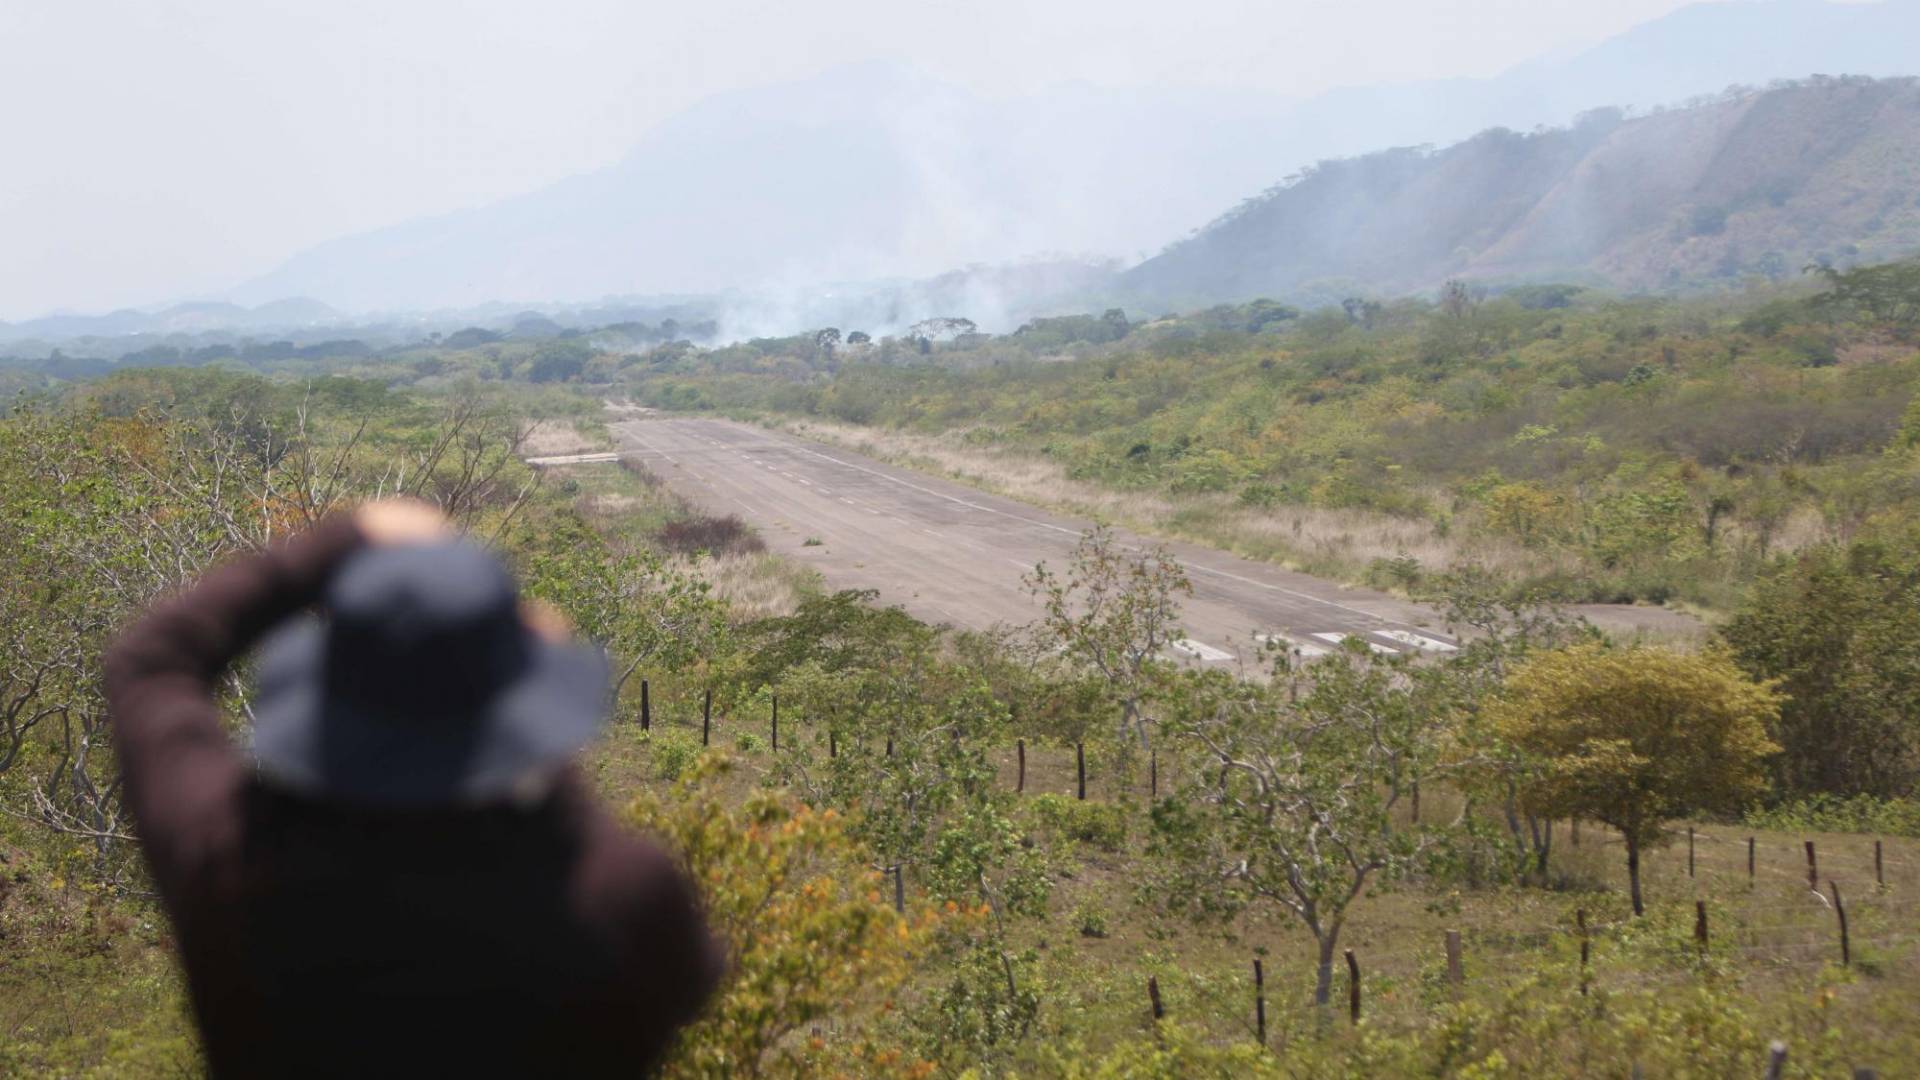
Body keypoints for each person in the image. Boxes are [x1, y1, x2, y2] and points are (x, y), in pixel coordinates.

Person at [104, 499, 722, 1077]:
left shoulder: (229, 866)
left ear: (325, 698)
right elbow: (690, 980)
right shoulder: (618, 898)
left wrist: (340, 540)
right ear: (514, 715)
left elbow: (150, 666)